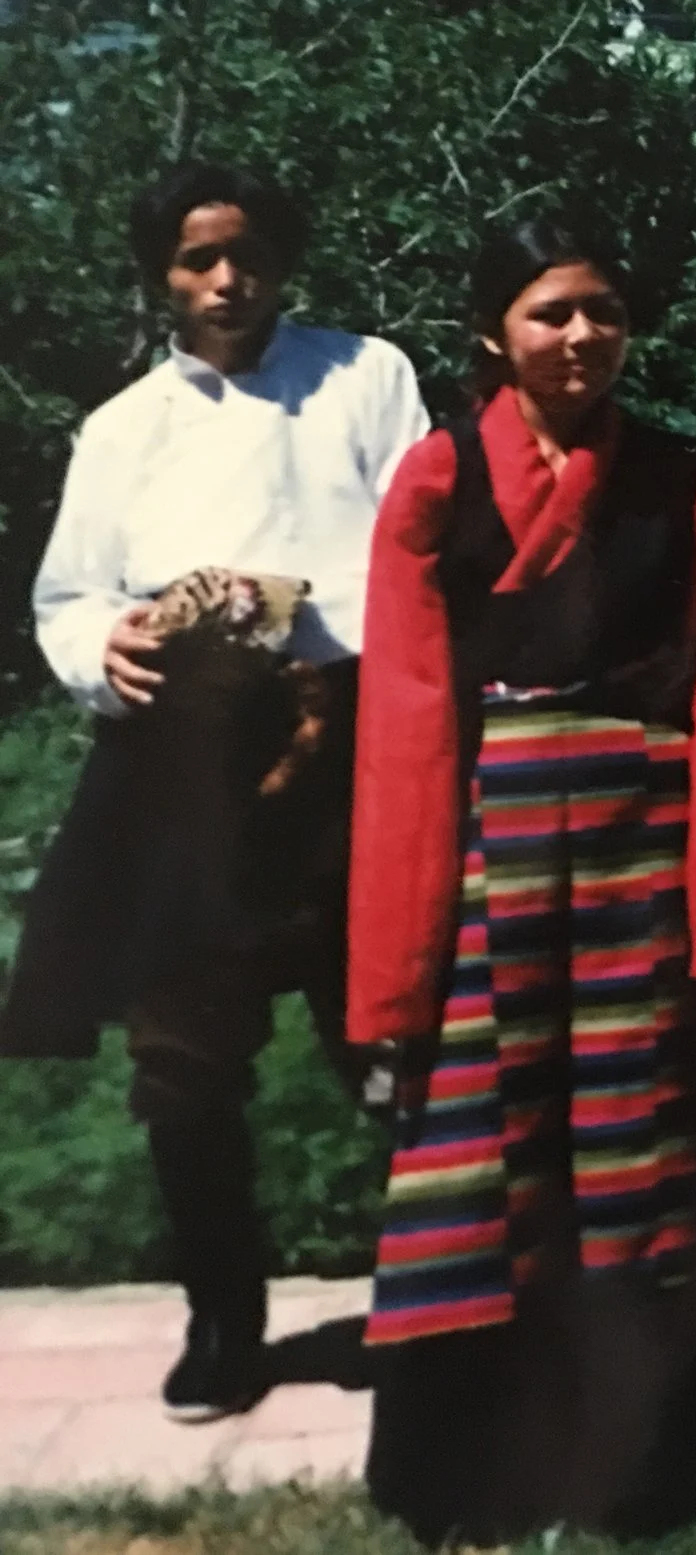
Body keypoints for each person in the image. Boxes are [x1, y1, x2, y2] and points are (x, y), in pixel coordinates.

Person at [348, 221, 696, 1543]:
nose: (583, 337)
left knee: (635, 1148)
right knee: (483, 1148)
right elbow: (410, 708)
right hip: (489, 852)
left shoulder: (673, 480)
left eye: (602, 310)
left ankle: (643, 1467)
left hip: (640, 858)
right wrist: (400, 951)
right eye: (551, 314)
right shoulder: (435, 479)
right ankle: (465, 1470)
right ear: (495, 334)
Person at [2, 163, 429, 1421]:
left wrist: (277, 606)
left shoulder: (366, 377)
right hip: (183, 774)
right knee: (185, 1060)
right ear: (162, 273)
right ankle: (223, 1322)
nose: (225, 280)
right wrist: (110, 650)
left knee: (391, 1035)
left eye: (244, 252)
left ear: (281, 257)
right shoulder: (126, 427)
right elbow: (67, 600)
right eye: (196, 259)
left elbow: (418, 549)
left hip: (342, 746)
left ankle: (437, 1306)